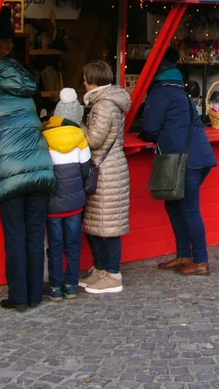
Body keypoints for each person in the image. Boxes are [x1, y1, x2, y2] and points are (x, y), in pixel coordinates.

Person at [0, 12, 56, 312]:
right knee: (35, 235)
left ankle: (19, 298)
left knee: (15, 237)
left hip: (9, 176)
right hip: (41, 173)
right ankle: (36, 294)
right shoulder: (29, 98)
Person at [141, 47, 218, 276]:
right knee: (173, 204)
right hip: (200, 157)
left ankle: (201, 260)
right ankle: (184, 255)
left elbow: (149, 129)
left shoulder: (160, 93)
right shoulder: (181, 92)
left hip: (185, 160)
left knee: (188, 208)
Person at [79, 61, 132, 294]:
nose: (82, 83)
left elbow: (93, 140)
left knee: (108, 225)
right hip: (109, 168)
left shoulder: (103, 105)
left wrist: (76, 125)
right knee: (99, 222)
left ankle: (112, 273)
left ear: (92, 81)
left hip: (106, 170)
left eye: (84, 79)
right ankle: (102, 269)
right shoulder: (109, 101)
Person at [43, 88, 91, 301]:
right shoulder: (81, 137)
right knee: (73, 245)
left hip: (52, 203)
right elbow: (85, 171)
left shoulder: (44, 137)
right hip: (74, 203)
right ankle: (71, 285)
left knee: (54, 246)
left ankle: (55, 287)